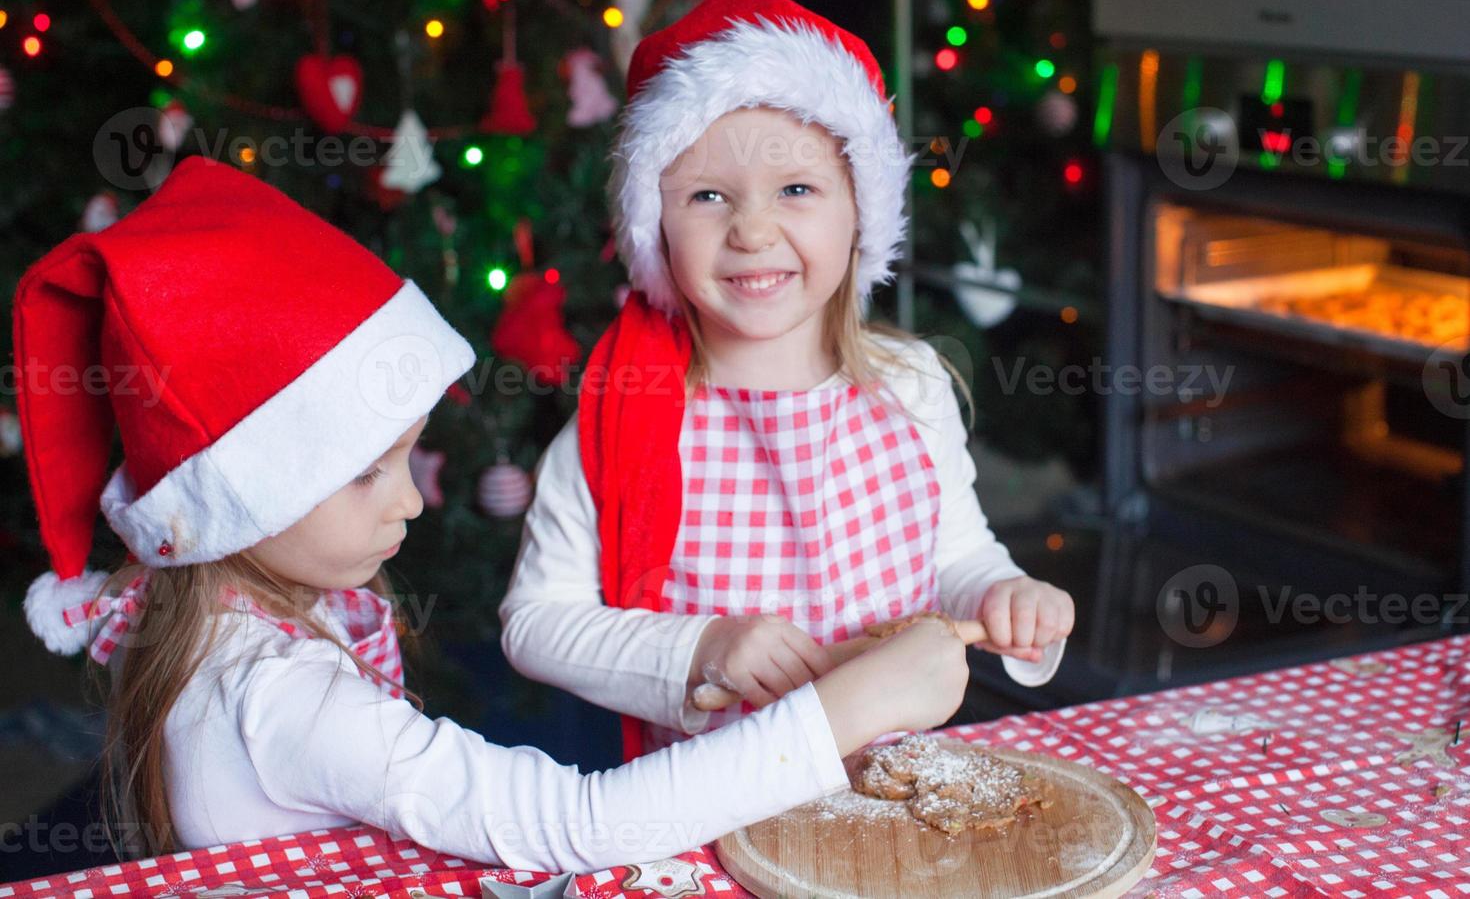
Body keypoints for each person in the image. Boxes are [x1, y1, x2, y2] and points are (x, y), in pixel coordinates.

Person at [15, 156, 971, 873]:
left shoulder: (216, 633)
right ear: (244, 497)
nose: (412, 498)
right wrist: (859, 701)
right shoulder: (279, 699)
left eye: (408, 457)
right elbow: (578, 827)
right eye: (367, 472)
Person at [501, 0, 1076, 763]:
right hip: (709, 808)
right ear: (656, 229)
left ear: (859, 214)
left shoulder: (909, 388)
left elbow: (956, 557)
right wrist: (704, 647)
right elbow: (537, 622)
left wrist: (1004, 596)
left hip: (889, 801)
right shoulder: (629, 417)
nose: (752, 231)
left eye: (796, 190)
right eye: (707, 196)